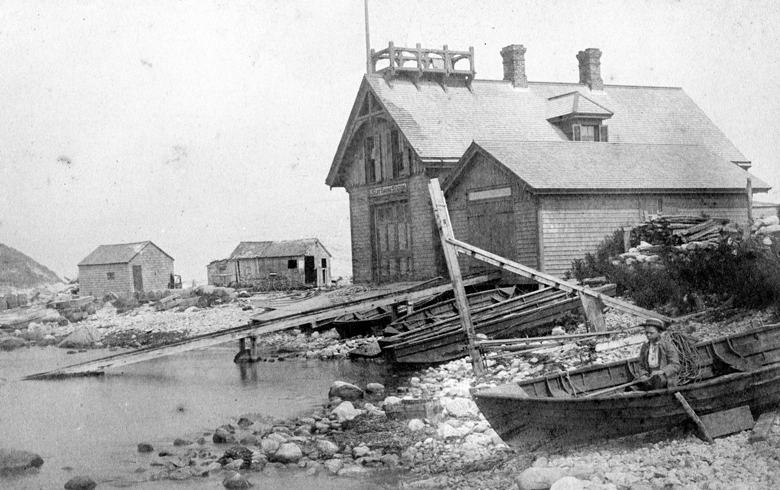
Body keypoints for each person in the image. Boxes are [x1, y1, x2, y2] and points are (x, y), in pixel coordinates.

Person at [636, 319, 681, 390]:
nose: (648, 335)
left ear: (659, 332)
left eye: (651, 333)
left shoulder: (667, 345)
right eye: (646, 333)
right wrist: (643, 375)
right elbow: (640, 365)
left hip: (666, 380)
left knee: (658, 380)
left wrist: (661, 371)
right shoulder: (645, 347)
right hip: (650, 380)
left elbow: (675, 365)